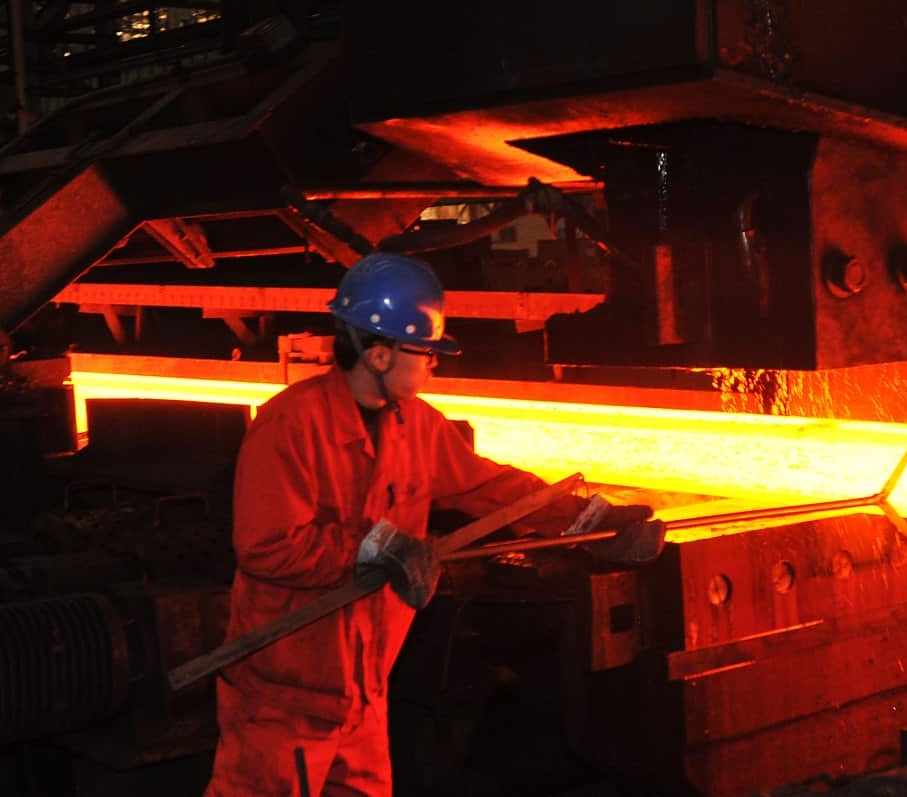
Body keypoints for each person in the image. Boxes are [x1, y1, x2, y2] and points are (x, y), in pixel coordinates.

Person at [205, 252, 655, 796]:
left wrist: (589, 521)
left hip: (363, 693)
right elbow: (267, 547)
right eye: (425, 351)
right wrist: (372, 548)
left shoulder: (415, 426)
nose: (434, 364)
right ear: (378, 354)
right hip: (282, 699)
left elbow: (493, 490)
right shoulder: (290, 426)